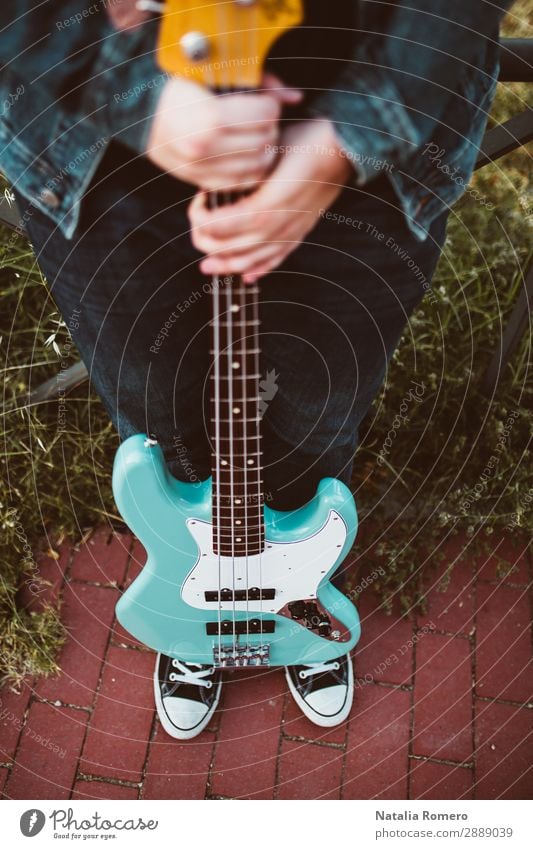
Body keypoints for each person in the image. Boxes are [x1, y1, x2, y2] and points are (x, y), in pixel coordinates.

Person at [0, 1, 512, 739]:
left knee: (320, 408)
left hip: (382, 125)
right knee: (157, 419)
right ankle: (194, 615)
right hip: (93, 146)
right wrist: (127, 92)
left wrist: (346, 139)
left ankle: (295, 589)